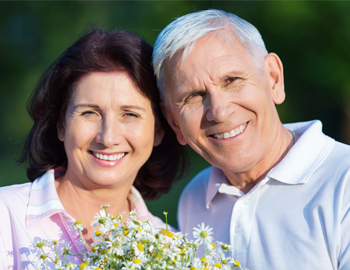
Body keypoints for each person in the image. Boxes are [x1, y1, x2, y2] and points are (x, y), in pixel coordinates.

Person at [152, 9, 350, 269]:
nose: (219, 111)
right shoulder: (195, 199)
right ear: (174, 121)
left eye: (232, 80)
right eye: (193, 96)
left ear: (273, 79)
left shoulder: (344, 182)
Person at [0, 28, 187, 269]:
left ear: (159, 130)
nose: (108, 138)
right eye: (89, 112)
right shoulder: (5, 215)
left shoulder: (171, 249)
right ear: (61, 124)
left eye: (130, 114)